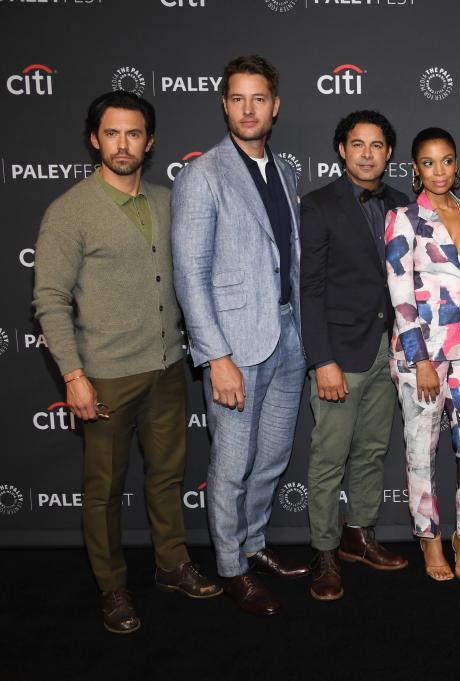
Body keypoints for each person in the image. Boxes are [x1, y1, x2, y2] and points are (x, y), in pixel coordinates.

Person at [33, 90, 220, 634]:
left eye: (133, 133)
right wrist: (74, 376)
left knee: (167, 477)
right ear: (95, 139)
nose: (123, 143)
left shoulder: (168, 201)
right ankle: (113, 587)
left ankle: (171, 565)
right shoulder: (70, 211)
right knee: (104, 490)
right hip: (105, 377)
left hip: (166, 369)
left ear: (150, 141)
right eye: (112, 133)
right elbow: (49, 299)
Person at [171, 55, 309, 616]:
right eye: (237, 99)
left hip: (288, 338)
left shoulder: (285, 171)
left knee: (272, 457)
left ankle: (253, 544)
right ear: (224, 104)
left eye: (259, 99)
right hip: (235, 345)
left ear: (274, 107)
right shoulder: (204, 174)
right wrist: (216, 356)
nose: (248, 109)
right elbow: (189, 274)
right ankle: (230, 567)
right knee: (230, 464)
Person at [300, 111, 410, 601]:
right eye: (358, 144)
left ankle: (358, 536)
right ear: (342, 150)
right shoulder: (318, 205)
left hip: (386, 352)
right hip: (339, 357)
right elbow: (309, 288)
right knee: (328, 460)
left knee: (371, 452)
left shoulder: (404, 205)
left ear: (389, 153)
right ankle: (324, 552)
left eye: (377, 145)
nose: (367, 153)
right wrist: (321, 359)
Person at [385, 128, 460, 582]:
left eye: (446, 160)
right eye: (428, 163)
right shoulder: (404, 218)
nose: (439, 171)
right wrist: (421, 358)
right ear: (415, 169)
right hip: (422, 352)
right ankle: (429, 540)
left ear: (457, 163)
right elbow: (399, 291)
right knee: (420, 451)